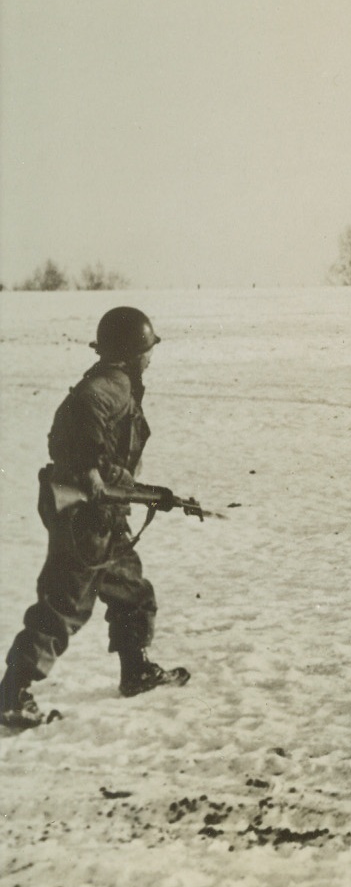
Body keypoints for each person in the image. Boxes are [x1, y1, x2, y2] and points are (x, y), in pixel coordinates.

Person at [1, 307, 189, 730]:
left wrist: (121, 483)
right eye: (147, 348)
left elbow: (90, 441)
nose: (150, 356)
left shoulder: (113, 382)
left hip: (100, 513)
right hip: (86, 515)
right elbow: (80, 422)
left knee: (129, 588)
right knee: (66, 603)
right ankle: (11, 692)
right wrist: (89, 470)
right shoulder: (110, 385)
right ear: (131, 353)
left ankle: (135, 669)